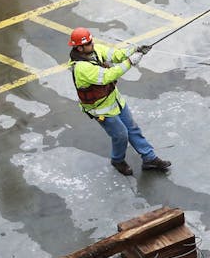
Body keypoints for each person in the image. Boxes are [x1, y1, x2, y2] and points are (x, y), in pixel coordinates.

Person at [67, 27, 170, 176]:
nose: (92, 44)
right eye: (89, 42)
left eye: (91, 41)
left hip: (115, 99)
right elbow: (109, 75)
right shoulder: (81, 68)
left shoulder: (95, 51)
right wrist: (130, 62)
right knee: (121, 135)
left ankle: (150, 158)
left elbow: (116, 55)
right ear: (79, 47)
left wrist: (135, 49)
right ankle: (117, 160)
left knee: (132, 128)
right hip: (101, 110)